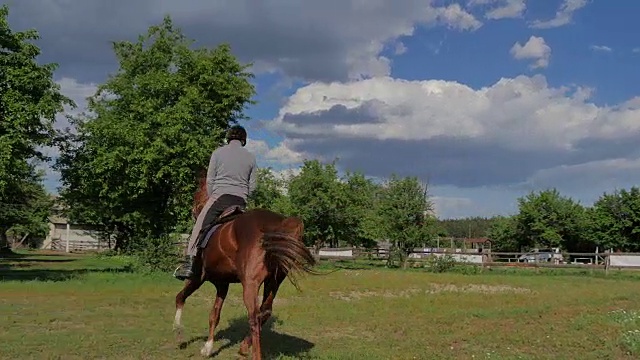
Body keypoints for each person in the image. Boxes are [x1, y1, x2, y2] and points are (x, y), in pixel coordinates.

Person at [173, 125, 258, 281]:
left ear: (228, 138)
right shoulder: (251, 157)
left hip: (220, 197)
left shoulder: (218, 153)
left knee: (199, 224)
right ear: (244, 140)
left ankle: (189, 262)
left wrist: (213, 197)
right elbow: (253, 185)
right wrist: (244, 196)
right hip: (240, 201)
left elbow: (210, 179)